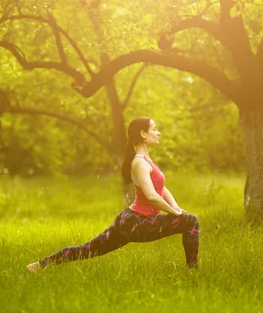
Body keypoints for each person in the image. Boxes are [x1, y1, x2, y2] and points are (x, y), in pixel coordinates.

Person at [26, 116, 200, 273]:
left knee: (87, 250)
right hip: (137, 223)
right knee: (191, 221)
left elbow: (162, 188)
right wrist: (174, 213)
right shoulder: (139, 163)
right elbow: (152, 196)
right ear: (143, 134)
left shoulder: (146, 161)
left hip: (129, 220)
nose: (158, 132)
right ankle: (192, 271)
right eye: (154, 129)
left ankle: (38, 266)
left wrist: (176, 207)